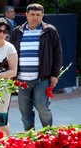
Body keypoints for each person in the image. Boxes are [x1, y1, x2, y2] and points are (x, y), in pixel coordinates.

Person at [9, 3, 63, 131]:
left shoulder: (50, 31)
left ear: (42, 16)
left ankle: (48, 134)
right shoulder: (17, 32)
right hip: (22, 81)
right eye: (32, 14)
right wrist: (11, 75)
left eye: (38, 15)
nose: (35, 17)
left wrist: (55, 75)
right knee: (25, 111)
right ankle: (30, 137)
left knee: (42, 107)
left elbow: (58, 54)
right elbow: (9, 54)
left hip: (42, 79)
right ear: (26, 15)